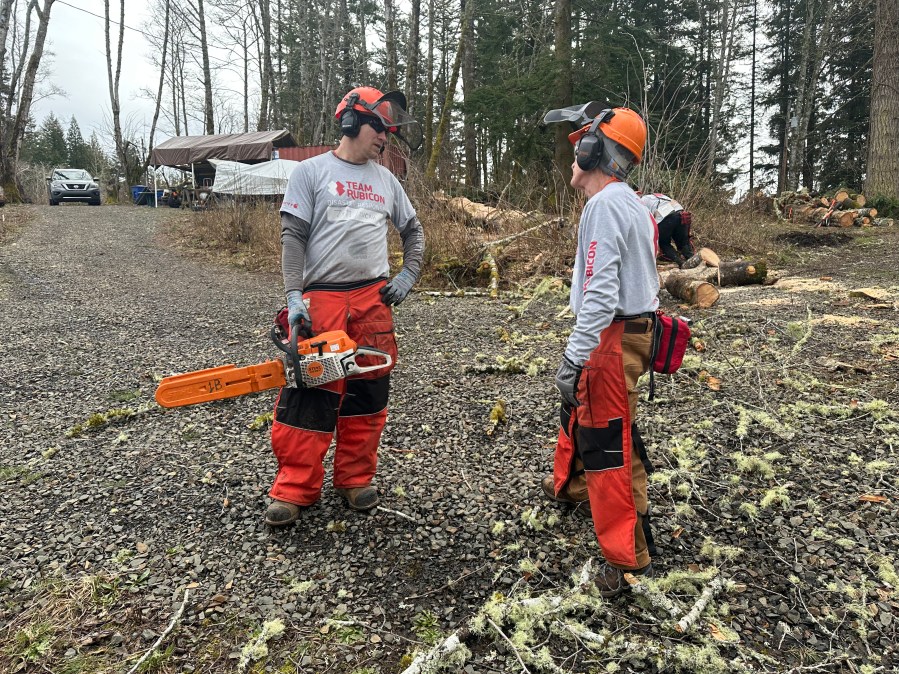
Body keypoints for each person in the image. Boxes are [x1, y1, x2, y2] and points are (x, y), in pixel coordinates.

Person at [265, 86, 425, 527]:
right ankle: (295, 487)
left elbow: (414, 233)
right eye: (380, 126)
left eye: (391, 130)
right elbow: (292, 238)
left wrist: (407, 275)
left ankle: (355, 478)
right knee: (309, 393)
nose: (385, 137)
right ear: (352, 121)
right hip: (325, 297)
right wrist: (294, 297)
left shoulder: (386, 180)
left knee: (368, 392)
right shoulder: (311, 172)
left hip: (372, 299)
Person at [541, 105, 660, 597]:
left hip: (611, 336)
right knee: (586, 415)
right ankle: (571, 489)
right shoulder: (631, 202)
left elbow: (601, 291)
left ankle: (627, 554)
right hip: (624, 332)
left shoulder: (606, 205)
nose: (573, 153)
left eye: (579, 145)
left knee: (609, 441)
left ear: (595, 151)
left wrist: (574, 355)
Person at [640, 192, 693, 266]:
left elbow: (643, 221)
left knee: (664, 243)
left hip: (665, 217)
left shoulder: (643, 200)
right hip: (680, 214)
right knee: (683, 242)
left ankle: (680, 263)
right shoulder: (659, 196)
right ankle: (692, 260)